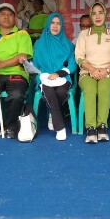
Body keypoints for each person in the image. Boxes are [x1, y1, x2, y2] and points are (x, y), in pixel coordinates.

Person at [0, 3, 34, 140]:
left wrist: (2, 63)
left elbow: (22, 56)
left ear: (15, 18)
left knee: (16, 95)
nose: (6, 17)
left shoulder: (22, 34)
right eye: (3, 14)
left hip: (17, 73)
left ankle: (11, 126)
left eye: (10, 14)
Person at [75, 2, 110, 143]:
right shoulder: (84, 35)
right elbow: (79, 57)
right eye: (94, 13)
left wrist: (106, 70)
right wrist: (93, 70)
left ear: (105, 14)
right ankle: (91, 128)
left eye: (100, 12)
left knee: (103, 88)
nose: (97, 16)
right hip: (87, 72)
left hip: (109, 73)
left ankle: (102, 126)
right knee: (90, 89)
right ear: (90, 16)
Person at [32, 12, 77, 141]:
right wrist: (42, 75)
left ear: (62, 26)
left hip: (63, 77)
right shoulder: (40, 44)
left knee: (61, 91)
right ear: (48, 24)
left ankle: (53, 112)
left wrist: (59, 73)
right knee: (49, 91)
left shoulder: (67, 45)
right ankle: (60, 127)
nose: (55, 26)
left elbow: (73, 65)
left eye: (58, 23)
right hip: (44, 77)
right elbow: (35, 65)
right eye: (52, 23)